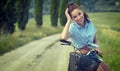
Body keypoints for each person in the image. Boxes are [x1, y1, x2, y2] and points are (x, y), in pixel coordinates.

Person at [61, 2, 110, 71]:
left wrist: (97, 48)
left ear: (82, 12)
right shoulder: (73, 28)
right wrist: (68, 19)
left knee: (107, 69)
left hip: (92, 55)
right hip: (82, 58)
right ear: (72, 18)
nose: (79, 17)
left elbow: (95, 39)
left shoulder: (90, 23)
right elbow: (63, 37)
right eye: (75, 17)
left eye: (79, 14)